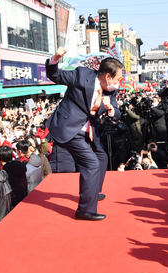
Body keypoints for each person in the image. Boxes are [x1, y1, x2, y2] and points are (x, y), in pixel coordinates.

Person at [45, 47, 121, 220]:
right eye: (117, 78)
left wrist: (110, 109)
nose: (118, 82)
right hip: (69, 127)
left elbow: (117, 113)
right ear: (108, 76)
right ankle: (85, 209)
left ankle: (93, 192)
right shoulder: (82, 75)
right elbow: (55, 75)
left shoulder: (111, 90)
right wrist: (56, 58)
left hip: (89, 131)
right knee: (91, 164)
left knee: (101, 157)